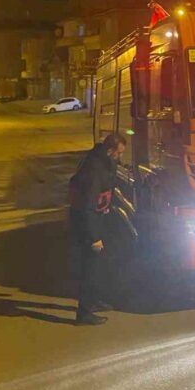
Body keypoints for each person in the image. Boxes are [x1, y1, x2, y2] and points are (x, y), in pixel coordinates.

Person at [69, 132, 126, 325]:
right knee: (90, 268)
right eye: (119, 153)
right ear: (110, 151)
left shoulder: (101, 161)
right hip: (88, 225)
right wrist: (94, 238)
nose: (120, 157)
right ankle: (84, 313)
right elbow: (88, 207)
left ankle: (93, 302)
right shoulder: (94, 171)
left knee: (98, 265)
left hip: (97, 220)